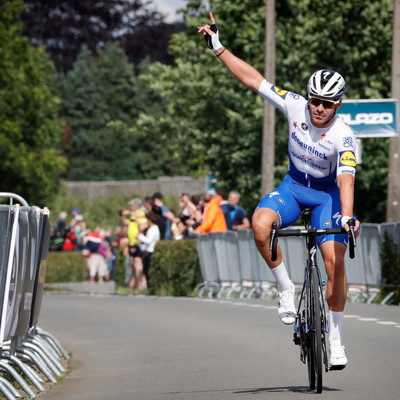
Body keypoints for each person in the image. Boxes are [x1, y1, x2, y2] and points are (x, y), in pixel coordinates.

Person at [198, 13, 360, 369]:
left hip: (327, 197)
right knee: (259, 225)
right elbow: (254, 79)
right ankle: (285, 288)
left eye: (327, 103)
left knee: (334, 263)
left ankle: (335, 338)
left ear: (339, 104)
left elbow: (346, 180)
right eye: (316, 100)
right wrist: (218, 48)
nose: (319, 108)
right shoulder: (294, 104)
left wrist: (347, 216)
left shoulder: (344, 134)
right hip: (293, 187)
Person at [138, 211, 161, 288]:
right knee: (145, 270)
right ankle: (147, 286)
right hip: (148, 251)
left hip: (151, 251)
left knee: (148, 270)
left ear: (150, 220)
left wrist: (140, 235)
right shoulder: (151, 229)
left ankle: (150, 287)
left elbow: (148, 241)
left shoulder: (154, 229)